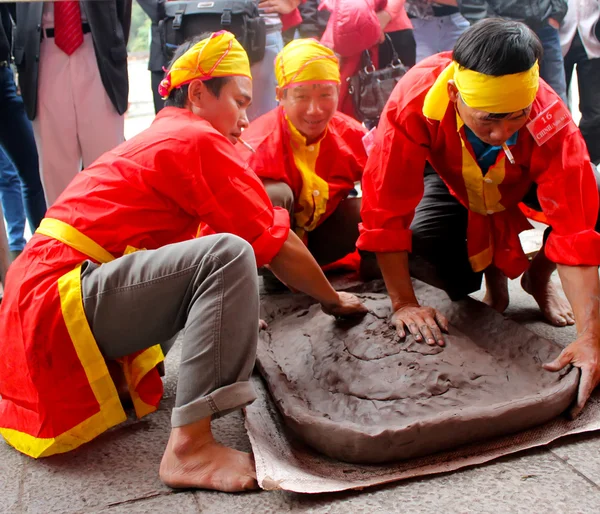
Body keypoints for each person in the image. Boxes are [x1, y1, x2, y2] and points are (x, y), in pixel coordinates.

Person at [0, 31, 366, 492]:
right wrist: (333, 301)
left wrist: (232, 316)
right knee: (229, 253)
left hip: (44, 291)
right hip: (56, 295)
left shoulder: (169, 132)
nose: (243, 119)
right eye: (237, 102)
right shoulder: (196, 138)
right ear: (197, 93)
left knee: (220, 251)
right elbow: (274, 241)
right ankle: (190, 448)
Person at [358, 19, 600, 417]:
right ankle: (489, 275)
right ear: (455, 94)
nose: (501, 133)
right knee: (438, 260)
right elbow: (385, 208)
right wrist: (403, 304)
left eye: (515, 117)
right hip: (452, 180)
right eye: (488, 119)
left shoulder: (546, 114)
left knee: (594, 192)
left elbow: (575, 225)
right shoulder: (414, 99)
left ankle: (537, 277)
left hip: (519, 179)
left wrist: (590, 338)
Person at [240, 38, 369, 273]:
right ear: (280, 95)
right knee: (274, 194)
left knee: (371, 204)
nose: (315, 110)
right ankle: (280, 276)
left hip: (322, 236)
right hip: (270, 248)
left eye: (325, 95)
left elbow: (388, 184)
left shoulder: (353, 135)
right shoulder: (256, 145)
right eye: (301, 96)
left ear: (338, 92)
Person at [13, 1, 132, 205]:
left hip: (97, 51)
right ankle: (65, 234)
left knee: (107, 163)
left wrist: (115, 45)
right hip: (43, 53)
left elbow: (122, 7)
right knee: (56, 169)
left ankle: (113, 234)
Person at [458, 0, 569, 103]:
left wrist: (557, 13)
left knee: (556, 94)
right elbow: (471, 4)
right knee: (508, 100)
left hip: (544, 26)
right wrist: (495, 26)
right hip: (502, 37)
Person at [0, 5, 47, 234]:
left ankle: (43, 251)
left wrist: (24, 70)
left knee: (32, 169)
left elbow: (20, 15)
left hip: (2, 77)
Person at [560, 0, 600, 165]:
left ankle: (586, 161)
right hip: (555, 36)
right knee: (557, 111)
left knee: (595, 111)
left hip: (594, 38)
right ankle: (564, 159)